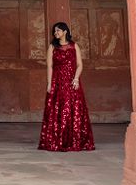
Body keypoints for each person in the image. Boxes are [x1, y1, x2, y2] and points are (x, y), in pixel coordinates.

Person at [38, 21, 95, 151]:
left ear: (65, 32)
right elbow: (49, 66)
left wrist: (75, 78)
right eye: (54, 31)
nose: (55, 33)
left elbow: (80, 65)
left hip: (72, 81)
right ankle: (57, 140)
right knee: (58, 110)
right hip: (57, 81)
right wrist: (49, 83)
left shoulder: (74, 46)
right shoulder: (52, 47)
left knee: (73, 109)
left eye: (58, 30)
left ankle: (74, 140)